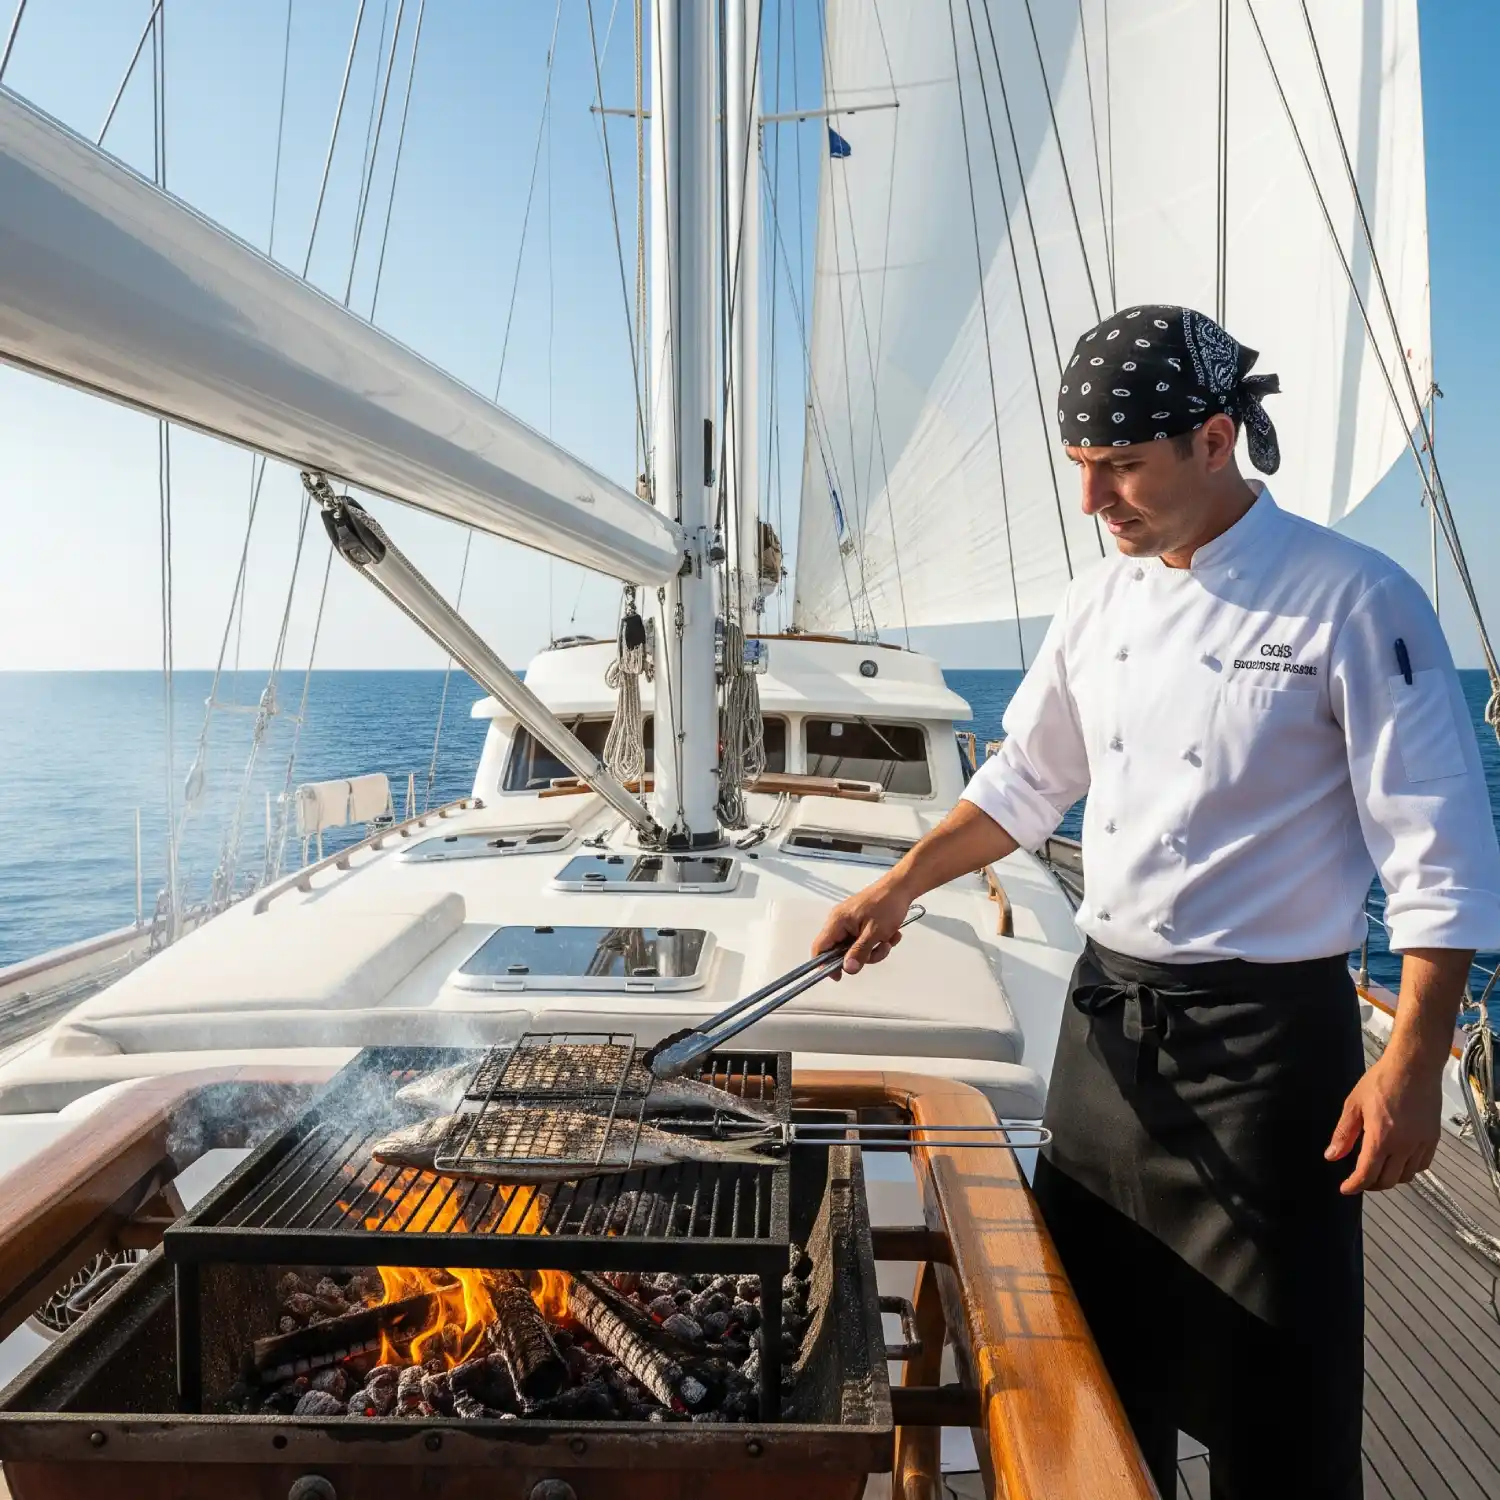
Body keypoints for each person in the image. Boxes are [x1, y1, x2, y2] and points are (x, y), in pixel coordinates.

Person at [811, 304, 1500, 1498]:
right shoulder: (1101, 603)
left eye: (1121, 468)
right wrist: (898, 886)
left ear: (1216, 438)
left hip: (1268, 1062)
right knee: (1086, 1371)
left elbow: (1437, 850)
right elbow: (1027, 782)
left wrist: (1413, 1064)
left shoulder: (1354, 600)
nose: (1096, 502)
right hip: (1104, 1042)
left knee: (1277, 1406)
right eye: (1082, 470)